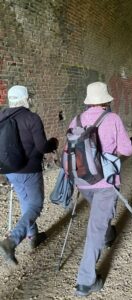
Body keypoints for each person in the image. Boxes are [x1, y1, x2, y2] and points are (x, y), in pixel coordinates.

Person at [67, 82, 132, 297]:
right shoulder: (112, 118)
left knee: (101, 215)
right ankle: (85, 281)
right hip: (105, 182)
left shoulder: (76, 119)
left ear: (89, 101)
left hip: (82, 179)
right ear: (106, 100)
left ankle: (109, 234)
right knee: (96, 227)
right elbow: (126, 149)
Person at [0, 85, 59, 265]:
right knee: (35, 205)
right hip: (29, 170)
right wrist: (53, 144)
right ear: (26, 98)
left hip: (8, 170)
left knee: (26, 200)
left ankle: (33, 236)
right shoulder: (31, 118)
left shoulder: (1, 116)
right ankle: (12, 241)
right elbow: (41, 147)